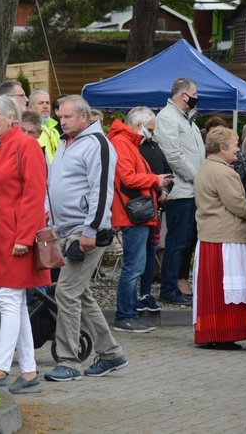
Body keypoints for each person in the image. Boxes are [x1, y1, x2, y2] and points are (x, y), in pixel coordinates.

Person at [44, 95, 128, 382]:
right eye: (60, 117)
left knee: (66, 291)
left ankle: (68, 361)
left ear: (84, 116)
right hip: (68, 230)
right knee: (80, 292)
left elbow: (100, 190)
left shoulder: (97, 144)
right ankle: (110, 353)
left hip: (86, 230)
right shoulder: (69, 142)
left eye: (67, 117)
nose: (62, 121)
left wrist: (91, 230)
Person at [0, 95, 49, 394]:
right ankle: (29, 374)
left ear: (11, 118)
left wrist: (23, 238)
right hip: (3, 234)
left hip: (19, 236)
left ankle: (0, 369)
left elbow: (34, 194)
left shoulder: (26, 145)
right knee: (15, 303)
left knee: (8, 300)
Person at [193, 128, 246, 350]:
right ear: (222, 148)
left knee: (212, 291)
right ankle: (224, 334)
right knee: (225, 290)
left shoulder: (206, 167)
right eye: (235, 144)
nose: (238, 149)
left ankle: (211, 333)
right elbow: (238, 204)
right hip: (226, 237)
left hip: (211, 236)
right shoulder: (224, 172)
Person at [108, 113, 171, 332]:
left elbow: (132, 177)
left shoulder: (127, 142)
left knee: (135, 265)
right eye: (150, 128)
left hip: (137, 212)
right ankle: (125, 315)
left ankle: (129, 312)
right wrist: (156, 180)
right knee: (133, 267)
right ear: (138, 124)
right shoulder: (123, 142)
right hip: (132, 214)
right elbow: (128, 178)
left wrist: (157, 187)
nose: (151, 133)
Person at [154, 77, 205, 306]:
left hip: (191, 190)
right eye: (194, 92)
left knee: (186, 241)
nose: (197, 97)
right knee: (176, 242)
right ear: (184, 95)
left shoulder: (186, 118)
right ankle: (169, 289)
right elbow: (173, 155)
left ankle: (177, 285)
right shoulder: (167, 118)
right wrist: (198, 177)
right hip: (181, 191)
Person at [135, 107, 170, 313]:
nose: (152, 132)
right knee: (138, 255)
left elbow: (167, 169)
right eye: (149, 128)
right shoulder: (134, 148)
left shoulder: (155, 146)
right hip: (140, 206)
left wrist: (165, 188)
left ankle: (145, 292)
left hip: (157, 203)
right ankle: (135, 296)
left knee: (150, 251)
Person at [28, 90, 60, 163]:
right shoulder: (29, 130)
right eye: (41, 103)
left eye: (47, 103)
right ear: (30, 107)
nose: (45, 106)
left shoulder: (54, 128)